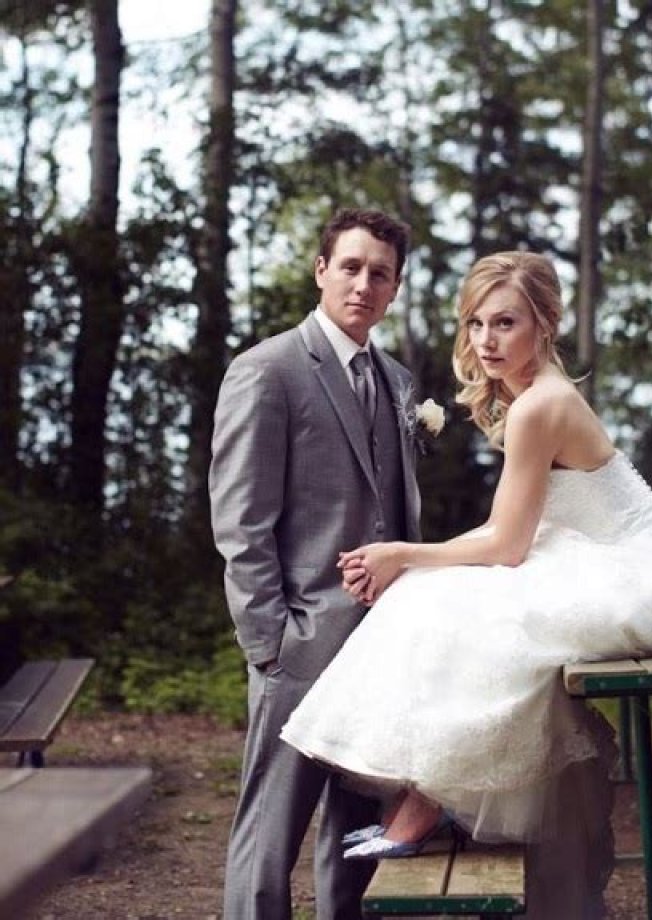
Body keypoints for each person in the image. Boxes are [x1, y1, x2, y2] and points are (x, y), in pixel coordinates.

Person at [281, 250, 652, 918]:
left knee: (464, 610)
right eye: (477, 323)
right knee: (436, 597)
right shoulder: (531, 393)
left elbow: (507, 546)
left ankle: (429, 799)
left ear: (544, 324)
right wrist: (414, 562)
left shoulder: (540, 404)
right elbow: (509, 531)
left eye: (505, 323)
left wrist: (402, 553)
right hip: (584, 549)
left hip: (631, 564)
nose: (486, 340)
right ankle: (426, 798)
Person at [209, 207, 422, 920]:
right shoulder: (266, 371)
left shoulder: (397, 381)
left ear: (394, 289)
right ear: (322, 270)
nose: (364, 284)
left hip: (378, 647)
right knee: (268, 840)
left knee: (354, 840)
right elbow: (241, 522)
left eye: (380, 274)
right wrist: (270, 643)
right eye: (351, 267)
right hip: (298, 646)